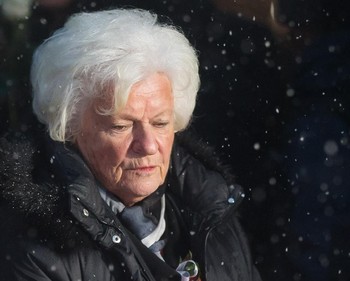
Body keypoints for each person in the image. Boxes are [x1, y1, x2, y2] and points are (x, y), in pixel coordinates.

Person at [0, 8, 262, 281]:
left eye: (161, 123)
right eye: (121, 126)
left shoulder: (211, 206)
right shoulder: (33, 248)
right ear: (69, 127)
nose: (148, 145)